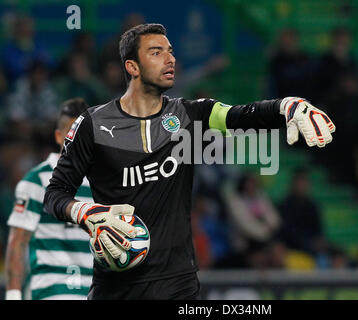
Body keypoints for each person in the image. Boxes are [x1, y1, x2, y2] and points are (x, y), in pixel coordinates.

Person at [43, 23, 336, 300]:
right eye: (156, 52)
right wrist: (85, 212)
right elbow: (55, 193)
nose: (170, 59)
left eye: (170, 51)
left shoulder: (190, 114)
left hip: (178, 285)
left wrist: (286, 106)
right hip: (116, 286)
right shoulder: (92, 124)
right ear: (132, 66)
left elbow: (242, 115)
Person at [5, 98, 93, 300]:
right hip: (49, 291)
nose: (77, 139)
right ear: (58, 136)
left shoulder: (101, 185)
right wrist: (13, 295)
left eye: (83, 132)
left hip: (91, 292)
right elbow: (18, 241)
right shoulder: (36, 181)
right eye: (71, 133)